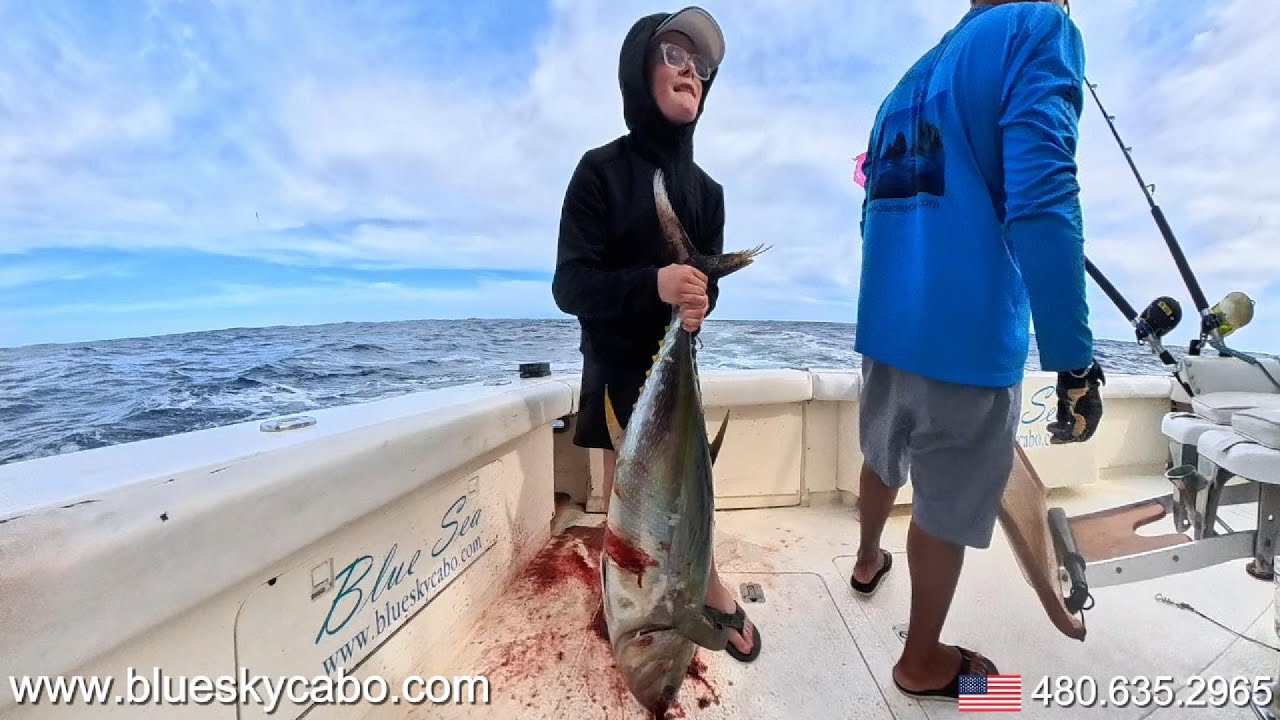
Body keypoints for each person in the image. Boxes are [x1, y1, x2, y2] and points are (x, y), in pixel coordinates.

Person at [849, 0, 1104, 700]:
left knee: (882, 452)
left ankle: (867, 560)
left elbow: (873, 211)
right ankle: (921, 662)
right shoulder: (1039, 28)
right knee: (945, 501)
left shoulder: (906, 81)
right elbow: (1043, 195)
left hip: (886, 322)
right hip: (964, 333)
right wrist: (1073, 359)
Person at [550, 7, 761, 663]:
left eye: (702, 66)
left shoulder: (709, 192)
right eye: (674, 54)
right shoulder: (599, 171)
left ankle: (706, 581)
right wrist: (657, 285)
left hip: (677, 370)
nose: (691, 72)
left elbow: (707, 287)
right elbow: (570, 285)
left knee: (691, 494)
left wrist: (699, 301)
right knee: (628, 514)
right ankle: (625, 599)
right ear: (638, 68)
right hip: (616, 372)